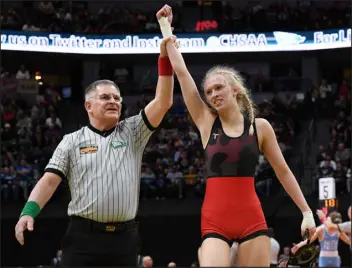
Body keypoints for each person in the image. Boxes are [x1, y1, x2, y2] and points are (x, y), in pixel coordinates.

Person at [14, 5, 176, 267]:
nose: (112, 101)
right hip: (82, 239)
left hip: (125, 239)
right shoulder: (71, 140)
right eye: (104, 97)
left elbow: (164, 100)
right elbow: (49, 181)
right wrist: (27, 212)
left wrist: (165, 54)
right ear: (88, 106)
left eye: (116, 98)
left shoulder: (134, 130)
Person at [158, 6, 316, 267]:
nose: (213, 94)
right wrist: (165, 28)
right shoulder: (206, 121)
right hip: (214, 219)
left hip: (251, 217)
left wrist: (307, 212)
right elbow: (183, 74)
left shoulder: (260, 127)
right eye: (208, 91)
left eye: (218, 87)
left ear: (235, 90)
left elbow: (284, 171)